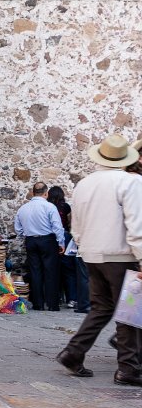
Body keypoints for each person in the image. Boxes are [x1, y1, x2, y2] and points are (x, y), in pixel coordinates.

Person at [56, 134, 142, 387]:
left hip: (91, 256)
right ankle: (128, 368)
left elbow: (76, 225)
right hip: (120, 256)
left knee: (101, 308)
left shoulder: (85, 183)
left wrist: (85, 247)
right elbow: (135, 224)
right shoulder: (131, 182)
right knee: (129, 312)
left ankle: (73, 353)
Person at [14, 182, 65, 311]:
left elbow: (18, 229)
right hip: (48, 240)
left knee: (35, 272)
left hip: (31, 241)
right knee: (51, 271)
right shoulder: (49, 207)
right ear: (46, 193)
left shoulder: (23, 208)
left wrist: (25, 234)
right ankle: (52, 304)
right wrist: (61, 243)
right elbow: (57, 226)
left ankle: (38, 303)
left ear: (33, 192)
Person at [47, 186, 77, 308]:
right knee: (69, 269)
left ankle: (56, 296)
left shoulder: (47, 206)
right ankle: (72, 299)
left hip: (50, 237)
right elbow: (70, 223)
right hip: (65, 236)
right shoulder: (66, 207)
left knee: (53, 268)